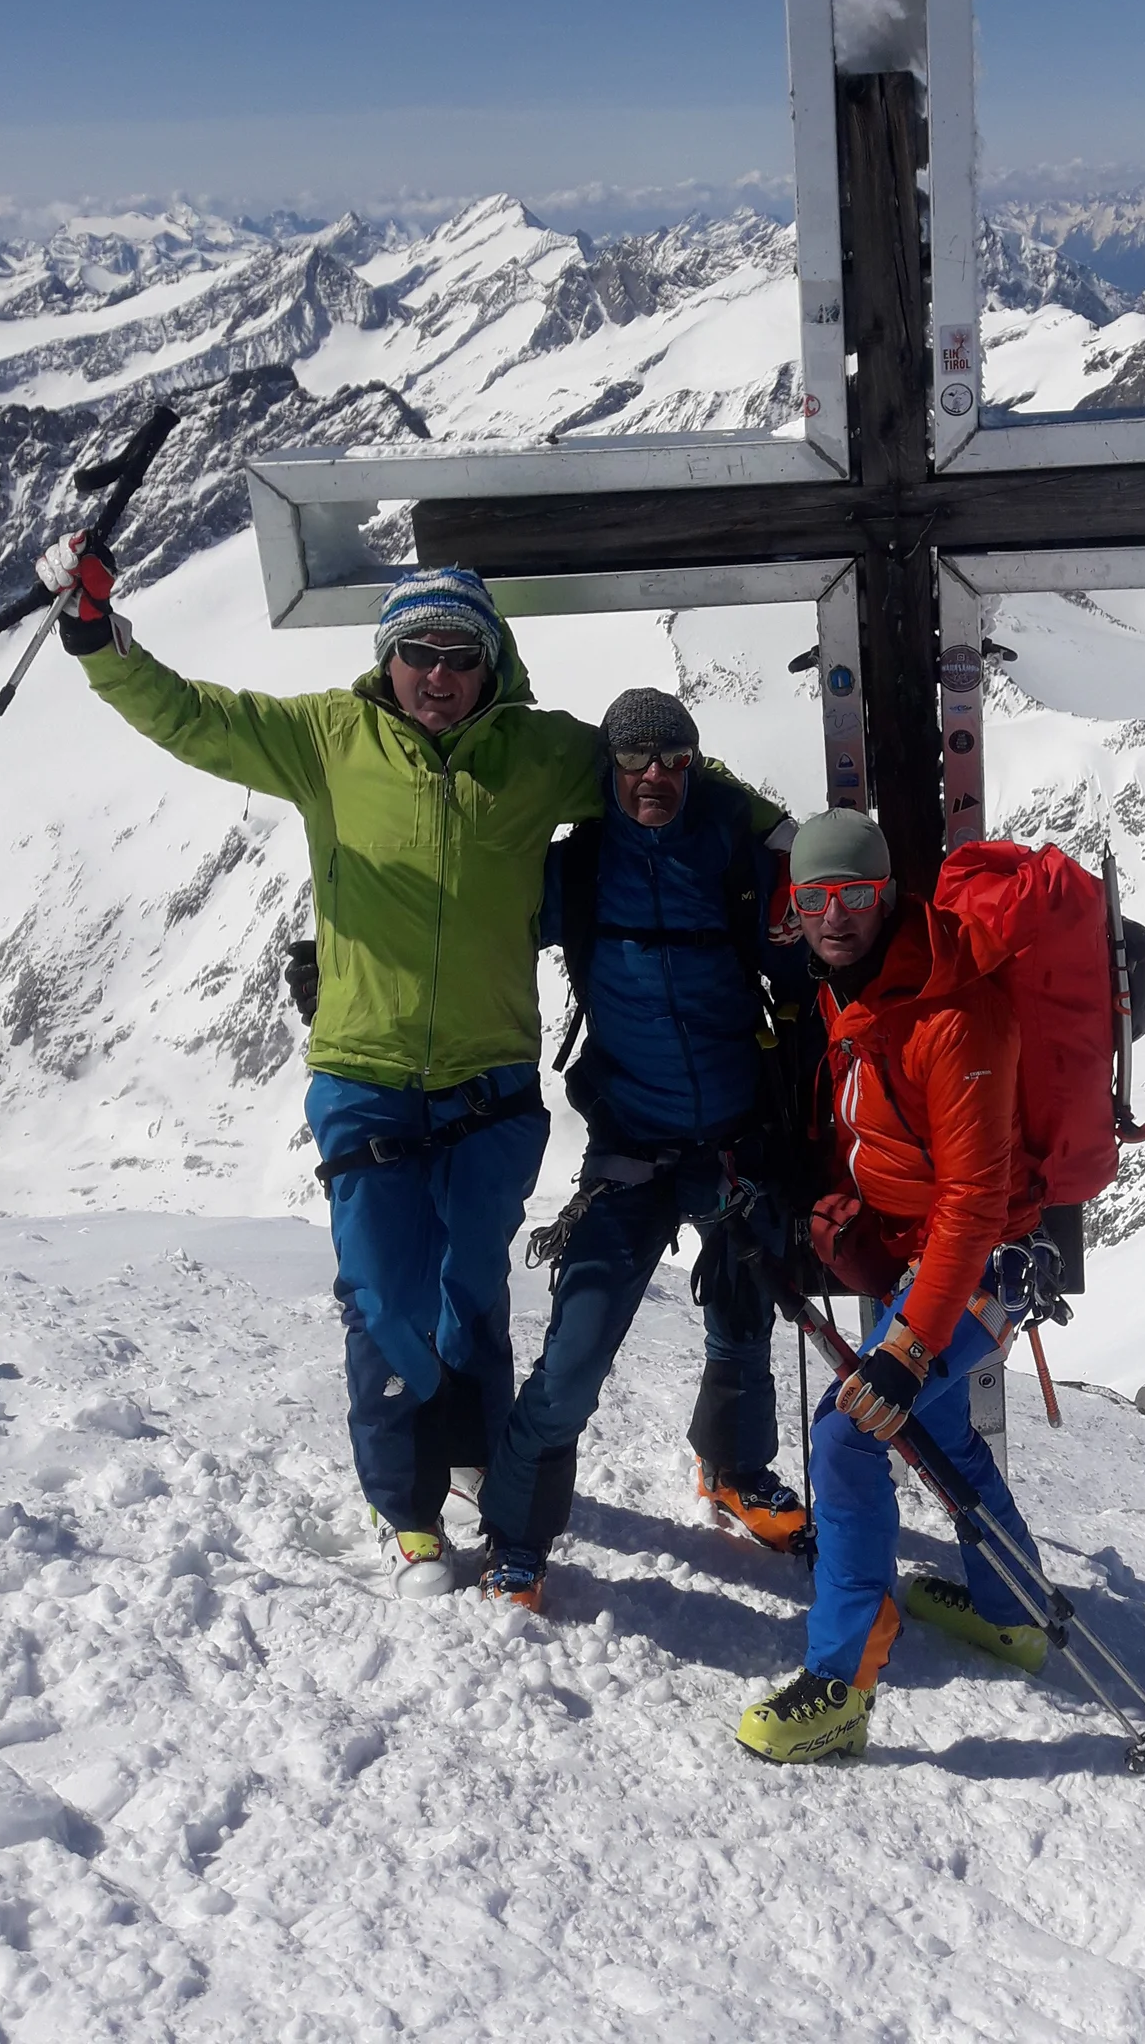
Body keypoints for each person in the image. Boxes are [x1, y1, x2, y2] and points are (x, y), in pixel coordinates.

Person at [34, 534, 598, 1598]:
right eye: (418, 653)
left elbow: (661, 778)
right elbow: (193, 717)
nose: (438, 675)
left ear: (491, 664)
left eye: (460, 656)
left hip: (490, 1082)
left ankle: (473, 1449)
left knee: (471, 1294)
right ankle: (409, 1509)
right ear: (388, 659)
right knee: (383, 1299)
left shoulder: (540, 753)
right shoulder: (327, 739)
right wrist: (97, 637)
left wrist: (786, 852)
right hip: (365, 1073)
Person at [474, 687, 811, 1609]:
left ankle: (733, 1470)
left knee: (744, 1318)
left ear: (695, 764)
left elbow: (809, 953)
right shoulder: (579, 869)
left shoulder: (737, 853)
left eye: (673, 758)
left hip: (738, 1141)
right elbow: (471, 926)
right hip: (631, 1144)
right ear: (609, 768)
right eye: (634, 759)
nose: (653, 775)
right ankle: (517, 1534)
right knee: (576, 1353)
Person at [736, 808, 1050, 1764]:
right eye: (816, 897)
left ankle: (840, 1683)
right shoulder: (857, 986)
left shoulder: (955, 1014)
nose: (836, 915)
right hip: (916, 1254)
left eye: (857, 894)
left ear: (889, 896)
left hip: (978, 1263)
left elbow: (974, 1204)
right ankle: (1013, 1614)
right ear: (794, 907)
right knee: (940, 1433)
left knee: (849, 1432)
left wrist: (909, 1348)